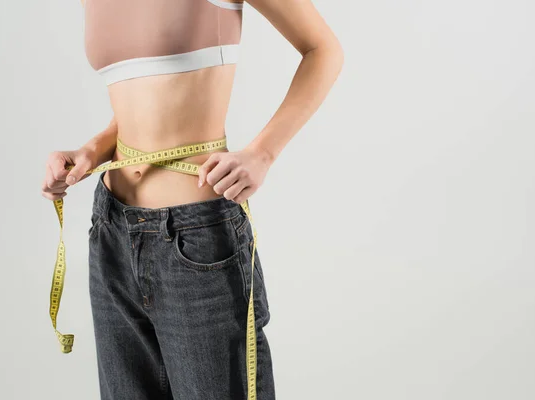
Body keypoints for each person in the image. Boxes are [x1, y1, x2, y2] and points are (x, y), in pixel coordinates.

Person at [40, 0, 343, 399]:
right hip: (110, 230)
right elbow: (142, 98)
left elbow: (323, 49)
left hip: (197, 239)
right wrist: (92, 151)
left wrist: (262, 153)